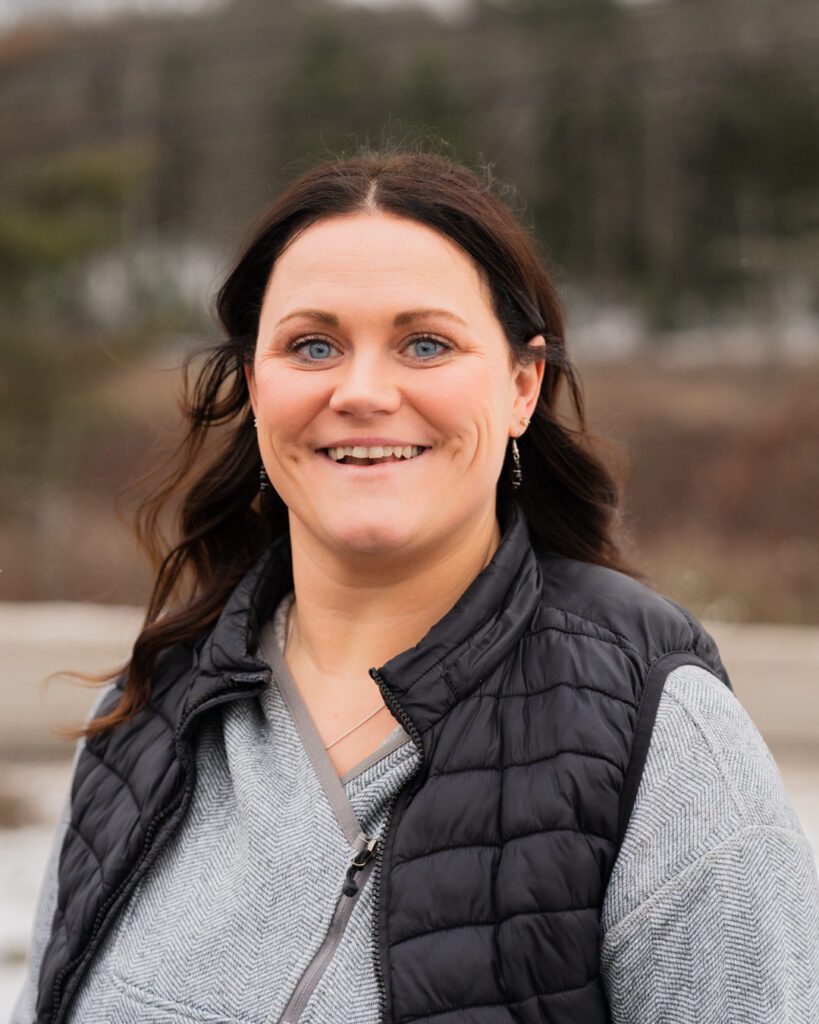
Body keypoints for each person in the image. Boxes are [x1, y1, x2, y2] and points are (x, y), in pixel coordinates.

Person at [12, 147, 819, 1024]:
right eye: (312, 346)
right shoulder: (147, 716)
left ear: (521, 386)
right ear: (255, 386)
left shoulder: (658, 736)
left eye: (425, 344)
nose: (361, 392)